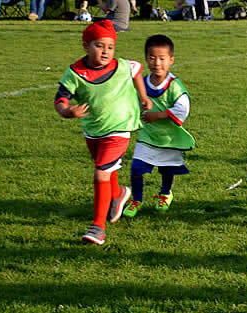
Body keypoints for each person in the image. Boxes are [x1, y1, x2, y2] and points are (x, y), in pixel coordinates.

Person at [54, 20, 152, 245]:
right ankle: (117, 194)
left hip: (120, 128)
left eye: (110, 47)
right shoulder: (75, 72)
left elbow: (136, 70)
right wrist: (67, 111)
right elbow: (61, 97)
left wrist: (143, 96)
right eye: (100, 46)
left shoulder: (122, 66)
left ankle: (98, 227)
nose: (106, 51)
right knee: (108, 171)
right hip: (93, 130)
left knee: (101, 173)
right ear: (86, 45)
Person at [123, 35, 194, 218]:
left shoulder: (174, 85)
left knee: (167, 169)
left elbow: (183, 108)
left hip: (169, 137)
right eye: (152, 58)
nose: (157, 63)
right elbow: (131, 100)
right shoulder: (142, 83)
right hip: (147, 136)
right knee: (137, 168)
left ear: (171, 60)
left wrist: (159, 115)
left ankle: (165, 193)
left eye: (162, 58)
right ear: (146, 59)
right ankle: (136, 199)